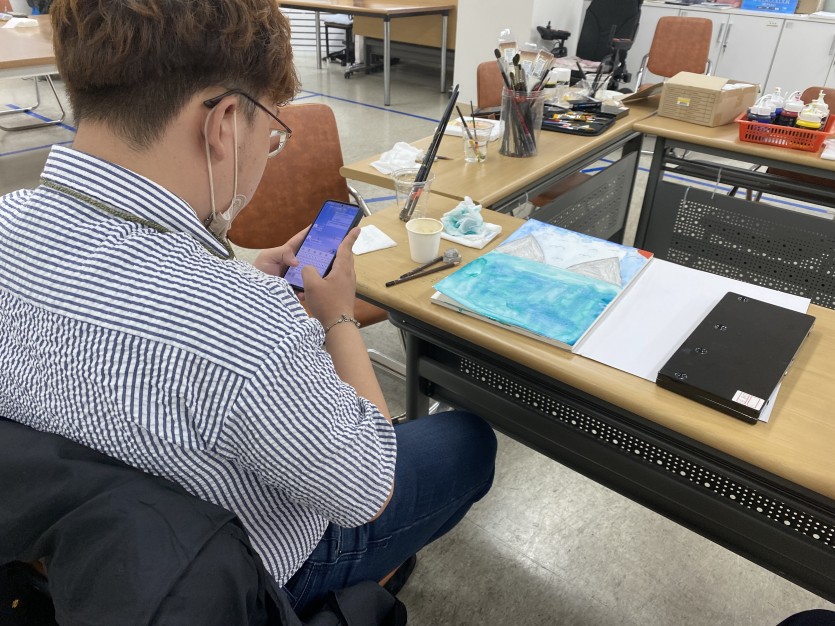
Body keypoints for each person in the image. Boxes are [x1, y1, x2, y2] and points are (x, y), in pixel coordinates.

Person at [0, 0, 496, 616]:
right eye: (272, 134)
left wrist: (240, 278)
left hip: (79, 563)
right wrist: (338, 318)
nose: (269, 149)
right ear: (226, 123)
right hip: (249, 572)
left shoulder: (7, 218)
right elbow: (371, 488)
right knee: (468, 441)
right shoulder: (248, 323)